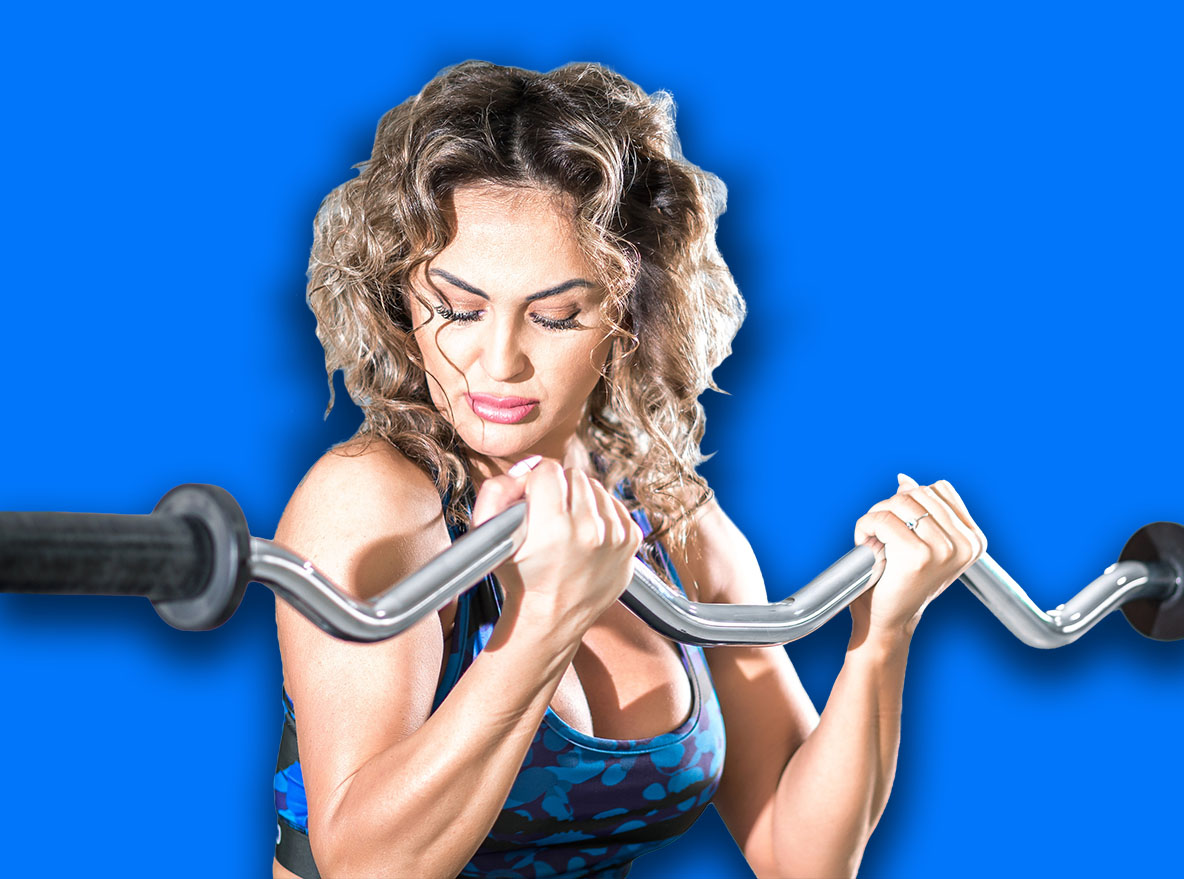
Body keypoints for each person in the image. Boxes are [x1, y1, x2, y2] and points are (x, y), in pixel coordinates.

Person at [271, 60, 987, 879]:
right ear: (401, 296)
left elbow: (801, 857)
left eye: (555, 314)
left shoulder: (671, 522)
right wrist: (545, 620)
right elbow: (366, 866)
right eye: (459, 308)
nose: (497, 360)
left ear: (626, 317)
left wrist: (882, 634)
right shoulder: (375, 502)